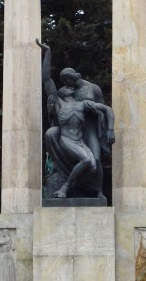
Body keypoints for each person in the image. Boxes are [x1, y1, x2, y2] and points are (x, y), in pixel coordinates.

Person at [37, 39, 115, 198]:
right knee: (86, 160)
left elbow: (106, 109)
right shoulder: (59, 101)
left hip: (85, 132)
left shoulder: (85, 100)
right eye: (64, 84)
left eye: (67, 82)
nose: (66, 85)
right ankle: (66, 188)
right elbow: (46, 79)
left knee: (94, 163)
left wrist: (110, 130)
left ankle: (91, 189)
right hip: (67, 138)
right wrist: (48, 52)